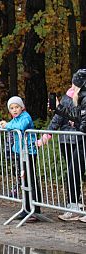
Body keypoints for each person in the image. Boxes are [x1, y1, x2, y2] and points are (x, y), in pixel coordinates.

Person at [0, 96, 41, 222]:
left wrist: (7, 125)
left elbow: (20, 126)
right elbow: (14, 125)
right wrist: (9, 124)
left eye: (17, 107)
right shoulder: (15, 119)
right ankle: (26, 207)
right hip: (20, 152)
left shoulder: (25, 117)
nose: (14, 110)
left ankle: (35, 209)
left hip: (29, 151)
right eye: (11, 108)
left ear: (22, 107)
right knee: (23, 179)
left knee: (30, 179)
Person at [54, 69, 86, 223]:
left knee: (74, 174)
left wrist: (77, 124)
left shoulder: (84, 98)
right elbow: (79, 117)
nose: (73, 88)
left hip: (82, 142)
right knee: (72, 174)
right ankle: (73, 207)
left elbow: (84, 125)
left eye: (75, 86)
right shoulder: (80, 99)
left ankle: (75, 207)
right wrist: (59, 109)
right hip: (80, 143)